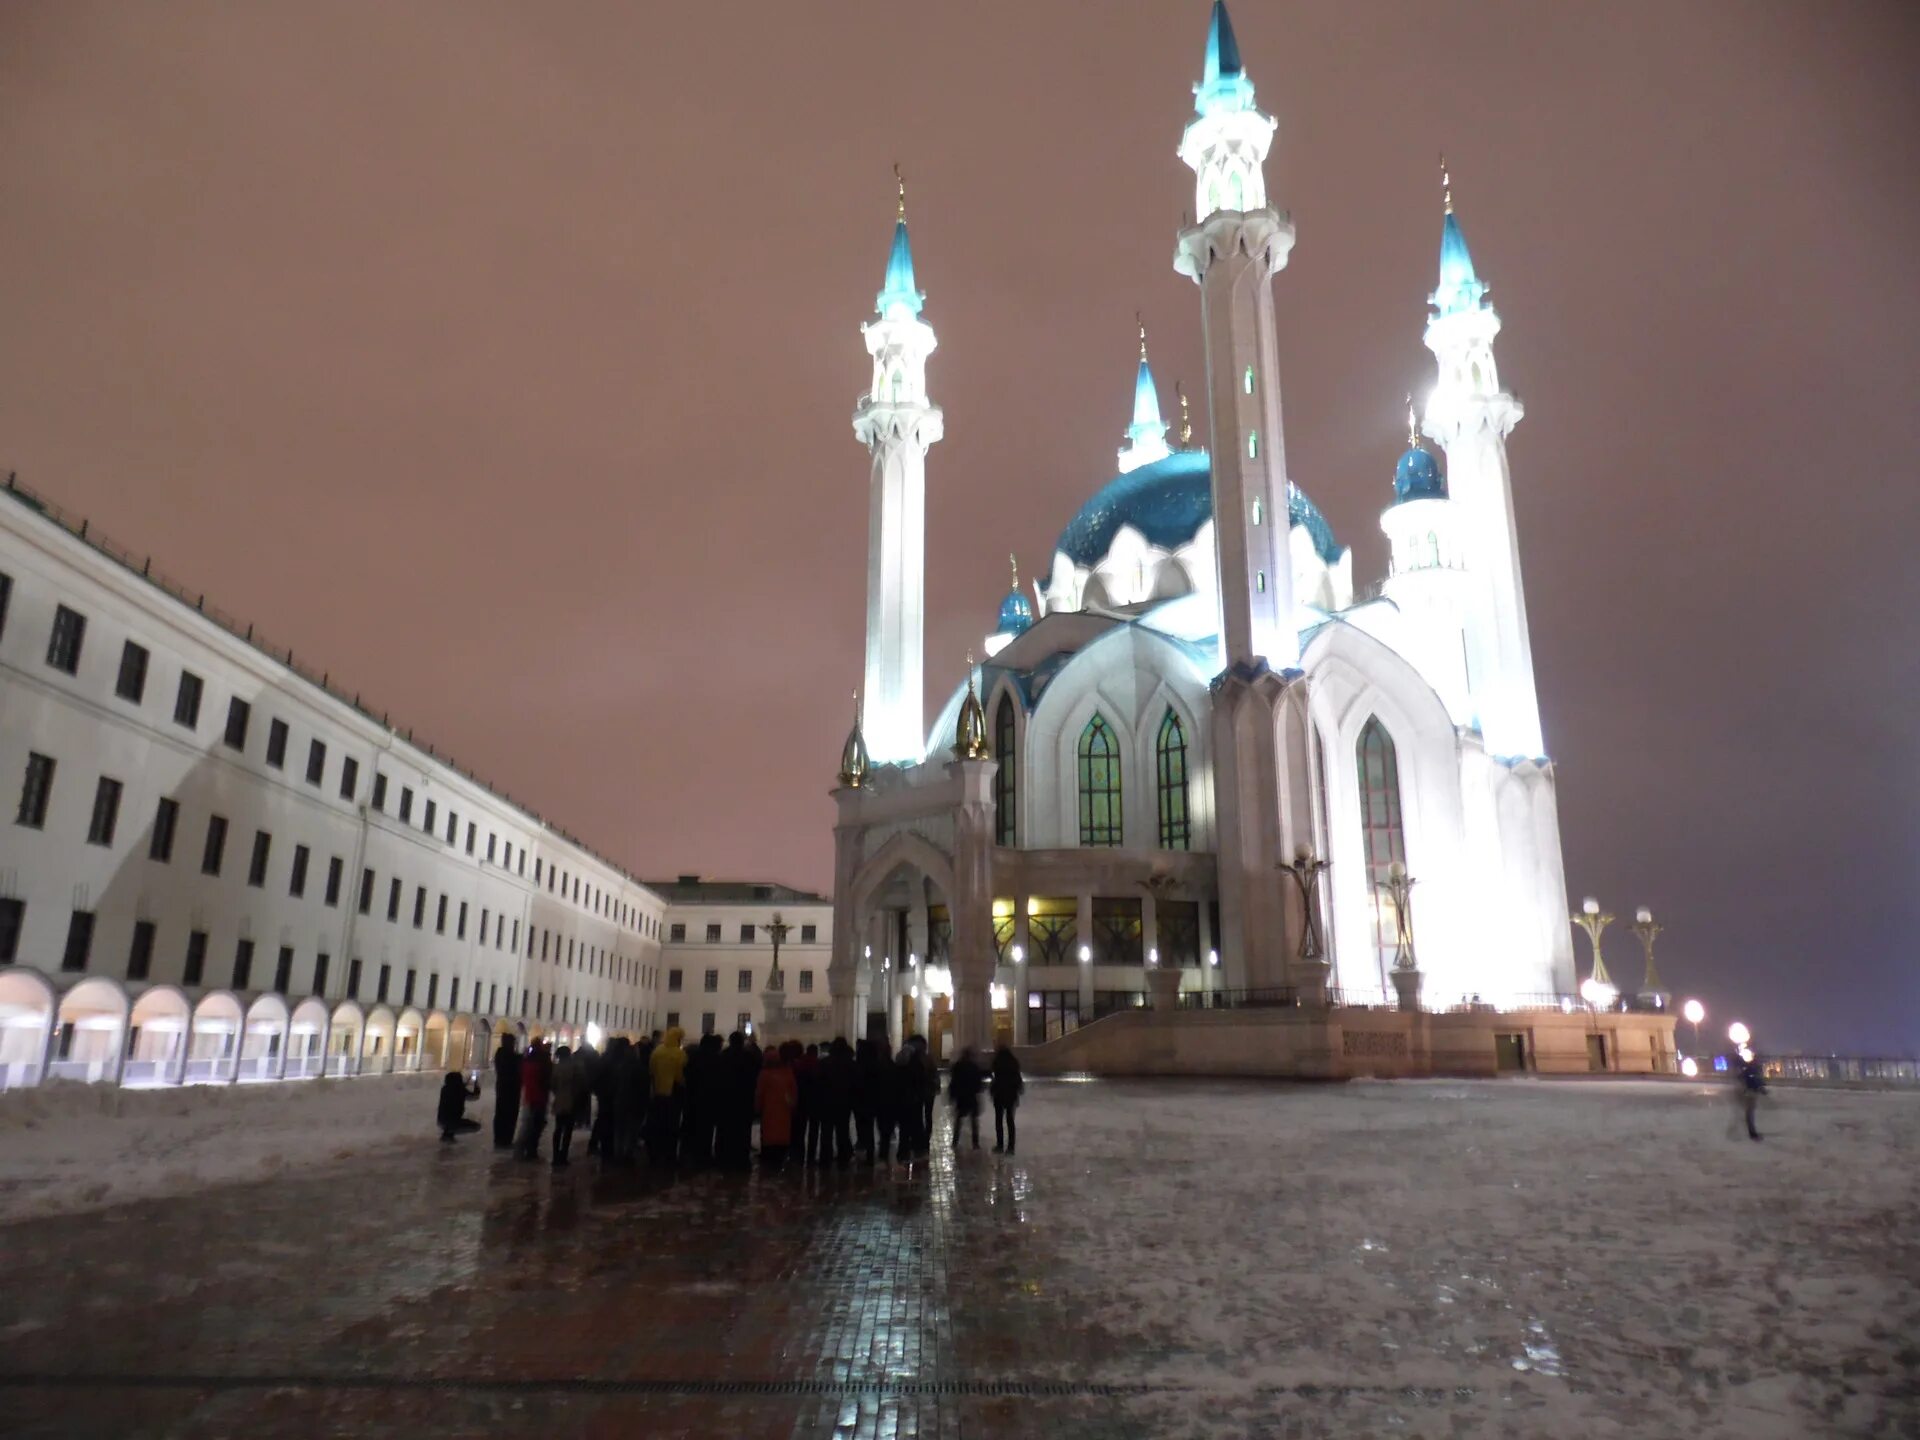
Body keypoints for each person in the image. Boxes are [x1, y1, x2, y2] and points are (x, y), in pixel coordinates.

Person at [756, 1042, 798, 1170]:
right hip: (784, 1111)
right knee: (782, 1137)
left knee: (769, 1137)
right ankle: (779, 1161)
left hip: (768, 1112)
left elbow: (759, 1094)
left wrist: (757, 1107)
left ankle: (769, 1162)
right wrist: (792, 1105)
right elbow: (793, 1093)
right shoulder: (787, 1073)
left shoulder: (764, 1075)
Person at [648, 1027, 687, 1164]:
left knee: (658, 1124)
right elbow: (681, 1075)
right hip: (673, 1093)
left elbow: (651, 1071)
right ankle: (669, 1155)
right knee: (672, 1126)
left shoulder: (657, 1051)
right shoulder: (679, 1054)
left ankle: (655, 1153)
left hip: (658, 1093)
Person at [514, 1040, 552, 1162]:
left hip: (529, 1096)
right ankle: (529, 1150)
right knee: (535, 1125)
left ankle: (522, 1150)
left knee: (528, 1125)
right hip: (539, 1097)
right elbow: (546, 1079)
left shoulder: (526, 1061)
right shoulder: (541, 1063)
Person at [821, 1037, 856, 1166]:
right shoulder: (850, 1064)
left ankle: (826, 1158)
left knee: (826, 1131)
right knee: (842, 1130)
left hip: (827, 1101)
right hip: (844, 1101)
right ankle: (843, 1157)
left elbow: (820, 1082)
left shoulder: (825, 1063)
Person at [549, 1045, 582, 1168]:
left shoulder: (556, 1068)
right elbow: (579, 1084)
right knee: (567, 1130)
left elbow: (552, 1085)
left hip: (559, 1101)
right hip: (571, 1101)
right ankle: (563, 1156)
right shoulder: (575, 1067)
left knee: (558, 1129)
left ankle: (555, 1155)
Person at [990, 1041, 1024, 1155]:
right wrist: (1018, 1090)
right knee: (1010, 1121)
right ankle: (1011, 1147)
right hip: (1011, 1095)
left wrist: (992, 1091)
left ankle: (1000, 1145)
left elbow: (995, 1078)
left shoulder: (997, 1061)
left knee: (999, 1120)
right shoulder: (1013, 1061)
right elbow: (1017, 1078)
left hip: (999, 1094)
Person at [948, 1046, 985, 1150]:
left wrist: (952, 1095)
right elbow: (978, 1083)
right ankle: (975, 1142)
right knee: (973, 1121)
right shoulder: (974, 1067)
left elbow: (954, 1082)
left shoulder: (958, 1066)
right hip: (971, 1096)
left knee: (959, 1120)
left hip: (962, 1096)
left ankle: (955, 1141)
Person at [491, 1034, 522, 1149]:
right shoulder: (508, 1056)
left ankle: (500, 1139)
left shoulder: (501, 1054)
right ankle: (505, 1139)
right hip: (509, 1088)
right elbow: (514, 1067)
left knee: (501, 1113)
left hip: (503, 1087)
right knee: (508, 1114)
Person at [438, 1071, 482, 1142]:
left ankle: (447, 1135)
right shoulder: (460, 1090)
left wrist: (466, 1083)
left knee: (449, 1124)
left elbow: (455, 1088)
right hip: (454, 1121)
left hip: (441, 1120)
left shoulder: (444, 1089)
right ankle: (449, 1134)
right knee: (477, 1126)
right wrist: (476, 1084)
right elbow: (474, 1096)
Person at [1736, 1047, 1767, 1141]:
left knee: (1749, 1112)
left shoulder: (1748, 1067)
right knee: (1750, 1113)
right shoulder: (1750, 1067)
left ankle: (1752, 1132)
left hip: (1749, 1091)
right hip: (1750, 1092)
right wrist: (1760, 1088)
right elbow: (1753, 1079)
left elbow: (1747, 1078)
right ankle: (1752, 1133)